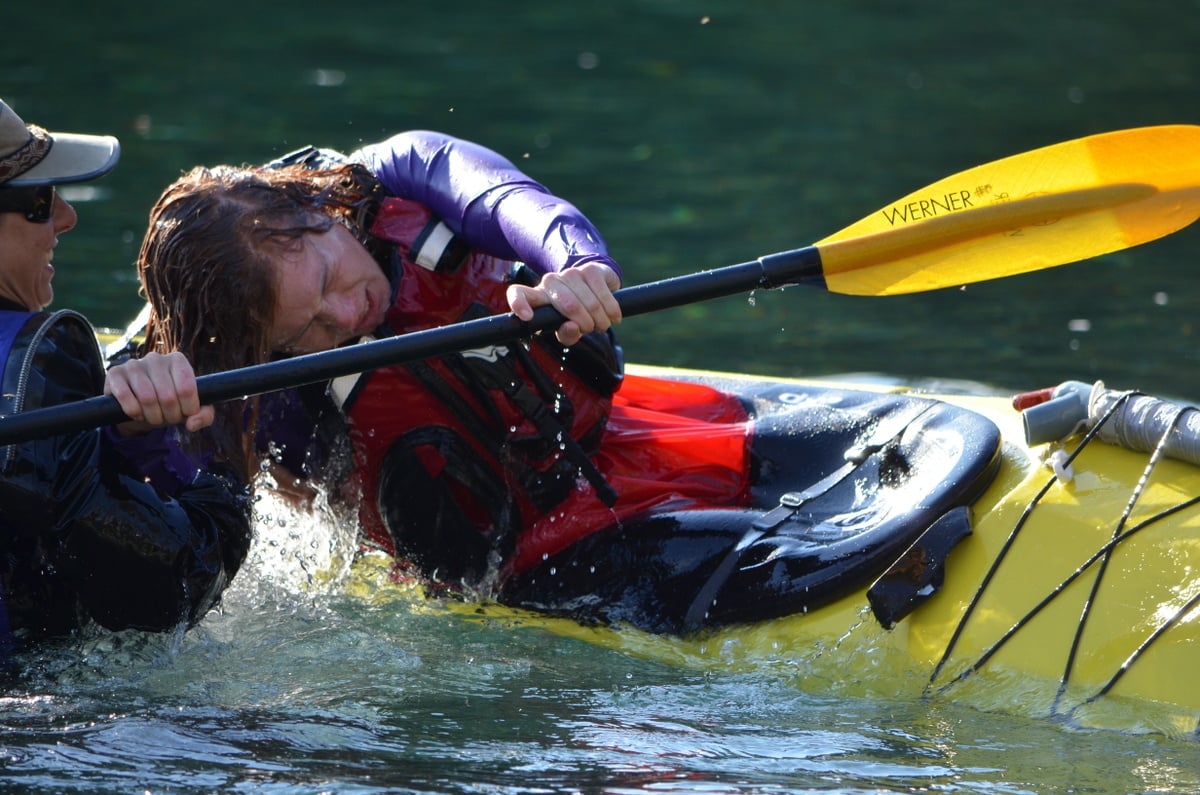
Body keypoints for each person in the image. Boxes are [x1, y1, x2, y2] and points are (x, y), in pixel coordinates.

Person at [135, 131, 988, 635]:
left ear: (318, 209)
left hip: (626, 443)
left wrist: (577, 266)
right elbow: (165, 534)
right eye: (310, 329)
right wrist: (150, 418)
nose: (345, 313)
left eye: (328, 277)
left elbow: (510, 199)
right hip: (529, 562)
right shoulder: (239, 385)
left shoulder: (399, 175)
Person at [0, 98, 251, 651]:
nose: (67, 216)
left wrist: (115, 435)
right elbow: (172, 586)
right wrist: (212, 455)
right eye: (39, 200)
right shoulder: (35, 368)